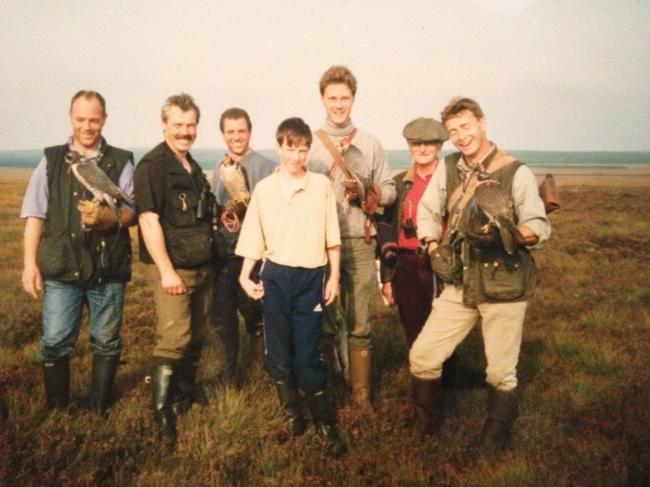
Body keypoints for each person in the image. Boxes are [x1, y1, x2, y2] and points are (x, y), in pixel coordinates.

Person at [410, 97, 551, 450]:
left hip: (504, 281)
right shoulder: (448, 167)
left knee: (500, 371)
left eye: (466, 127)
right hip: (460, 280)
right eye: (454, 131)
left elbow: (539, 225)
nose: (461, 136)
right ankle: (426, 431)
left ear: (482, 123)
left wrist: (508, 235)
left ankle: (494, 439)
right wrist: (432, 245)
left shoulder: (515, 171)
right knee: (423, 356)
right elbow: (427, 210)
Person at [20, 90, 136, 415]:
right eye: (81, 119)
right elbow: (35, 214)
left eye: (94, 120)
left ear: (104, 120)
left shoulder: (121, 160)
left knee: (107, 339)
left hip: (107, 267)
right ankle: (58, 412)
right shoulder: (52, 159)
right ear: (70, 117)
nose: (87, 126)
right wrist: (29, 265)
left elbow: (131, 211)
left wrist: (106, 217)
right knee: (56, 340)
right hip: (62, 266)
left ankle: (99, 410)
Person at [236, 117, 346, 457]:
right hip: (275, 277)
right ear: (279, 147)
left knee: (309, 352)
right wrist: (244, 276)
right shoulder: (265, 189)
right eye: (290, 148)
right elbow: (253, 237)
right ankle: (292, 415)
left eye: (302, 149)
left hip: (311, 278)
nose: (296, 156)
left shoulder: (321, 186)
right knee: (279, 350)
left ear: (308, 150)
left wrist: (334, 277)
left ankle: (324, 422)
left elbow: (332, 237)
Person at [308, 65, 396, 414]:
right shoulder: (309, 144)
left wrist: (371, 193)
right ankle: (330, 390)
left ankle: (361, 398)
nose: (338, 104)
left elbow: (390, 188)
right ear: (322, 99)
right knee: (325, 321)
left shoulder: (370, 143)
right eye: (332, 98)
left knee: (360, 321)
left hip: (360, 241)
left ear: (354, 99)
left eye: (344, 97)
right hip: (320, 244)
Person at [134, 93, 214, 449]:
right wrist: (166, 271)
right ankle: (163, 414)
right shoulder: (152, 166)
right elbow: (148, 220)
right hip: (175, 269)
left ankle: (184, 397)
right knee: (174, 339)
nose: (185, 132)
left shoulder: (192, 167)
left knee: (196, 337)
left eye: (190, 125)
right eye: (178, 125)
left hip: (202, 267)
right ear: (164, 124)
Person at [211, 108, 276, 383]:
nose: (236, 137)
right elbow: (217, 205)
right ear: (223, 134)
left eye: (241, 131)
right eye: (230, 132)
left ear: (250, 132)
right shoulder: (220, 168)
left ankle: (262, 372)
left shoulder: (266, 166)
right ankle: (229, 375)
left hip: (255, 255)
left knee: (256, 314)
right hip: (225, 253)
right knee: (223, 318)